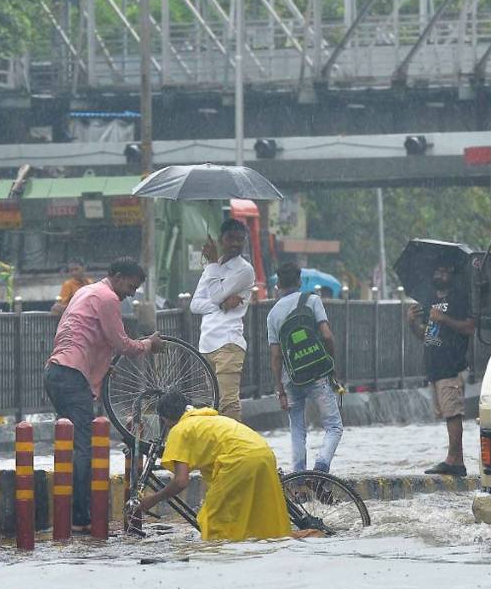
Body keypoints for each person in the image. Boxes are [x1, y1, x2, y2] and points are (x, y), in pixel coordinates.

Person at [44, 257, 162, 532]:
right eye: (131, 286)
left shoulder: (86, 292)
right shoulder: (107, 297)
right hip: (71, 377)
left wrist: (101, 366)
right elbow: (121, 343)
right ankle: (81, 519)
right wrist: (148, 344)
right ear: (118, 277)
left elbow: (84, 335)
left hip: (56, 372)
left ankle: (70, 515)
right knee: (84, 447)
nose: (131, 293)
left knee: (73, 444)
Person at [134, 391, 296, 541]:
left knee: (213, 520)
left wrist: (152, 500)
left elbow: (181, 481)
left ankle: (219, 563)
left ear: (164, 418)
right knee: (258, 517)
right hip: (264, 453)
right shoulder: (208, 417)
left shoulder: (179, 430)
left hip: (240, 461)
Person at [267, 262, 343, 473]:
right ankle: (321, 468)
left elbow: (276, 356)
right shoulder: (312, 300)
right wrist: (332, 366)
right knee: (334, 426)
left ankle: (299, 482)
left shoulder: (273, 314)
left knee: (297, 430)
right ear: (299, 281)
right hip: (317, 373)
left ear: (278, 284)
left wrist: (279, 389)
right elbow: (327, 336)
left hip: (290, 378)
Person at [406, 262, 475, 476]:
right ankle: (454, 459)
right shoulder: (429, 301)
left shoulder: (459, 298)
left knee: (453, 413)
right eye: (438, 269)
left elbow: (470, 328)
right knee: (446, 414)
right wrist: (412, 323)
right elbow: (426, 336)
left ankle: (455, 460)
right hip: (434, 365)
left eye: (446, 270)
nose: (441, 273)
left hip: (451, 364)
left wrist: (444, 318)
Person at [190, 219, 256, 421]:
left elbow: (215, 295)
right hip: (206, 344)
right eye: (230, 238)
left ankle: (235, 449)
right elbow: (194, 305)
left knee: (228, 403)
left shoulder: (244, 270)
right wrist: (220, 305)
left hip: (229, 343)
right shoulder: (214, 266)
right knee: (211, 405)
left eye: (240, 239)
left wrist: (217, 297)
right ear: (221, 240)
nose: (235, 243)